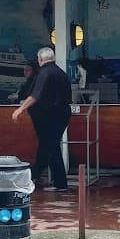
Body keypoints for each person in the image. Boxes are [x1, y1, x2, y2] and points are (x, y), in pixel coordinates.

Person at [11, 48, 72, 192]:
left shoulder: (44, 73)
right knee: (49, 146)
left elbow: (35, 96)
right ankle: (41, 178)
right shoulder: (61, 73)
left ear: (40, 59)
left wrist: (20, 109)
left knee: (49, 146)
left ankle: (51, 181)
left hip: (49, 115)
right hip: (61, 113)